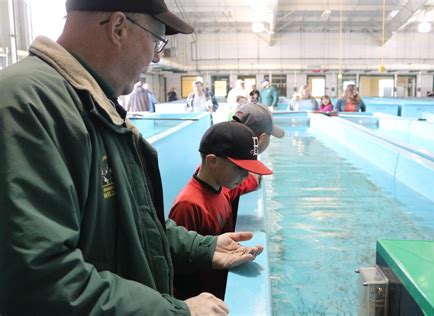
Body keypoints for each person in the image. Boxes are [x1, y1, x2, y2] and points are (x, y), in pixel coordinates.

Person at [0, 0, 263, 315]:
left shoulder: (94, 106)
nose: (156, 57)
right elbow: (40, 278)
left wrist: (204, 248)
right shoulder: (26, 107)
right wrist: (174, 312)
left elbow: (135, 223)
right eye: (156, 41)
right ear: (119, 27)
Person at [169, 122, 272, 300]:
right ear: (212, 161)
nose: (246, 176)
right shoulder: (188, 205)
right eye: (240, 168)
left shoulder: (222, 188)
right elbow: (177, 264)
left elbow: (248, 181)